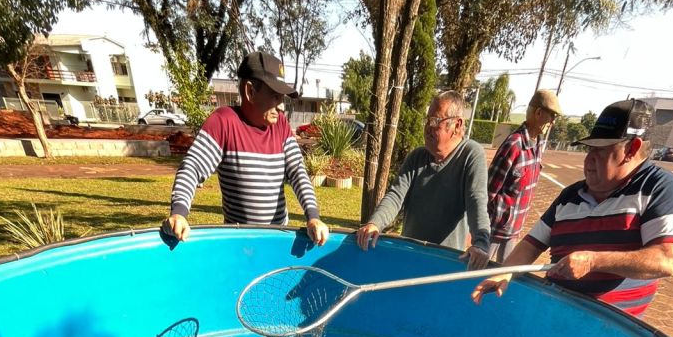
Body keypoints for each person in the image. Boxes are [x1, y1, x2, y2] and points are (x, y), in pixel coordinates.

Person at [472, 99, 673, 317]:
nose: (589, 159)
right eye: (589, 149)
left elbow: (666, 260)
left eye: (601, 150)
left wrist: (594, 261)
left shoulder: (658, 188)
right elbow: (531, 245)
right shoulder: (570, 196)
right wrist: (505, 274)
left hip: (607, 325)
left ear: (632, 149)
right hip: (554, 311)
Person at [163, 51, 328, 246]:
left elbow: (297, 171)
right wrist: (179, 213)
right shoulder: (224, 122)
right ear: (250, 91)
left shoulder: (281, 125)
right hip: (238, 242)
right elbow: (192, 167)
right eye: (275, 96)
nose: (281, 106)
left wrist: (313, 216)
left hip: (276, 240)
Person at [355, 91, 490, 265]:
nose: (427, 128)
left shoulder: (471, 155)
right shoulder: (416, 157)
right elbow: (395, 196)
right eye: (427, 120)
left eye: (435, 121)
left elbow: (476, 200)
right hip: (410, 256)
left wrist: (481, 243)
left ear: (457, 125)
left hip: (445, 261)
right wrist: (375, 223)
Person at [486, 89, 562, 262]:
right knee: (478, 270)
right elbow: (489, 190)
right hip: (495, 228)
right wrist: (480, 228)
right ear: (538, 113)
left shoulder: (538, 144)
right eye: (552, 116)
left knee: (505, 272)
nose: (553, 122)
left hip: (515, 226)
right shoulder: (514, 145)